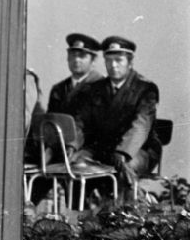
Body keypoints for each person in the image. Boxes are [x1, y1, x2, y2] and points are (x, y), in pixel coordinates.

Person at [72, 36, 161, 195]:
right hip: (103, 149)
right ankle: (79, 214)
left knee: (126, 166)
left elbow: (140, 126)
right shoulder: (95, 89)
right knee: (76, 164)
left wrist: (123, 153)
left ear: (130, 62)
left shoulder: (145, 89)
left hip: (138, 150)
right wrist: (72, 147)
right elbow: (80, 122)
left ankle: (123, 215)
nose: (113, 65)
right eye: (109, 60)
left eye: (119, 60)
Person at [48, 33, 102, 115]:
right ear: (68, 58)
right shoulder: (58, 89)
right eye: (73, 55)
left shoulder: (102, 87)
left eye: (82, 56)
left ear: (93, 60)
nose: (76, 60)